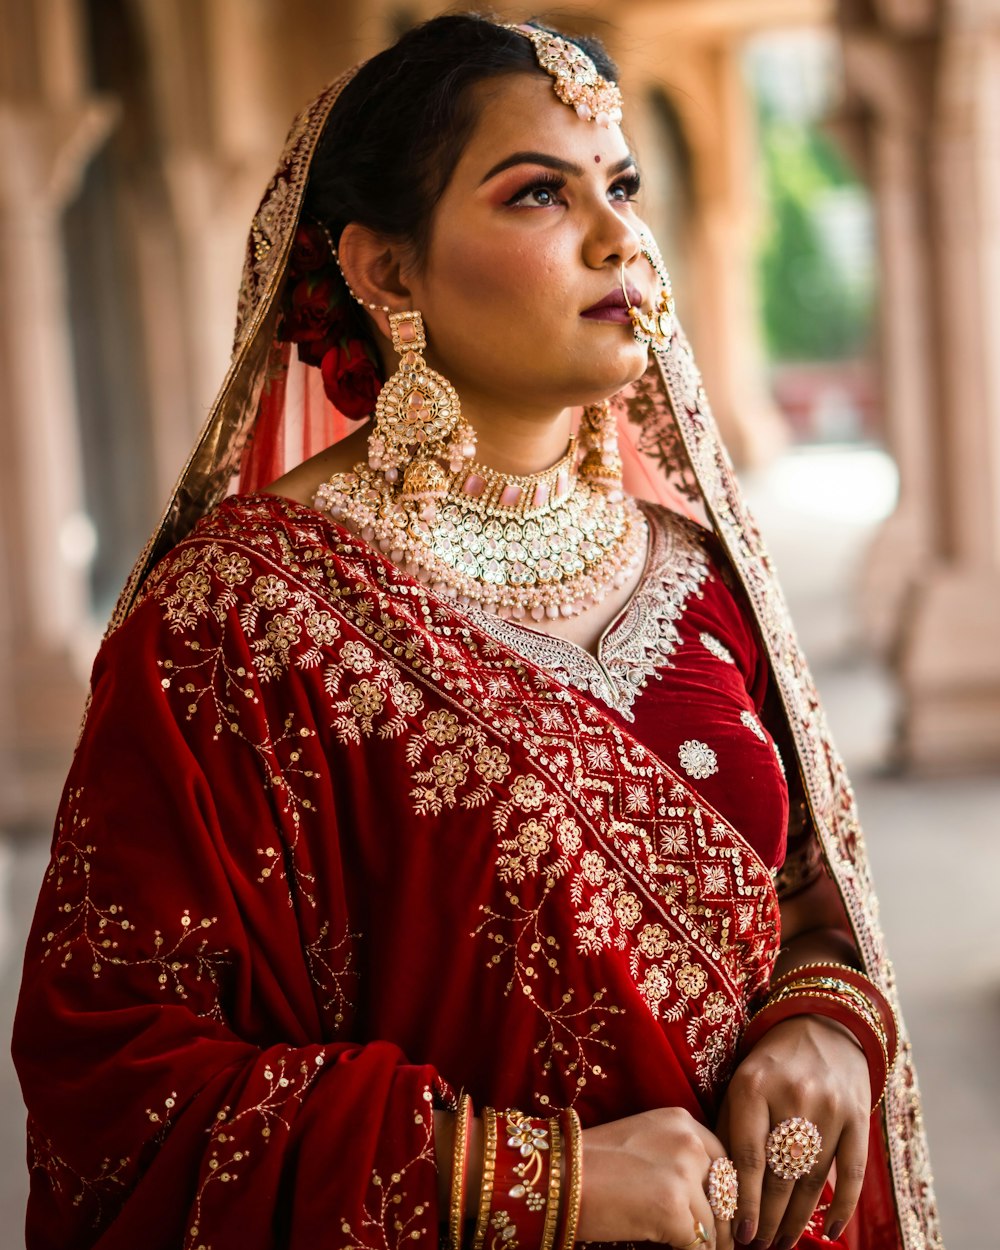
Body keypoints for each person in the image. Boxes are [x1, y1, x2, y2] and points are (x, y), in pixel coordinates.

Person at [12, 15, 940, 1250]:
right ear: (388, 271)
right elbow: (119, 1090)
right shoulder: (235, 620)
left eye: (621, 184)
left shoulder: (699, 570)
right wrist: (534, 1181)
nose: (620, 237)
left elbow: (809, 905)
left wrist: (823, 1018)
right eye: (538, 194)